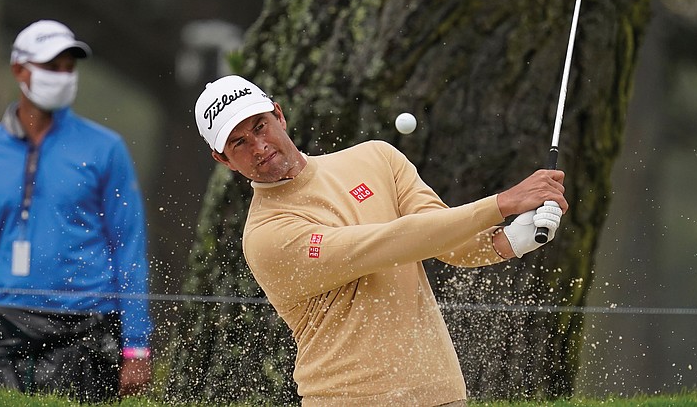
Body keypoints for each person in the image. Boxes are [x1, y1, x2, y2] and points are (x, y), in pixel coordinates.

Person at [193, 75, 568, 406]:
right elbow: (387, 244)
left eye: (260, 126)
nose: (258, 147)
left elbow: (444, 239)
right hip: (346, 399)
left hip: (440, 392)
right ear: (222, 159)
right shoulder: (266, 235)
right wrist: (502, 203)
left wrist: (511, 240)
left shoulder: (377, 158)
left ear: (279, 114)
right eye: (239, 143)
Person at [0, 20, 153, 402]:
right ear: (19, 70)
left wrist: (136, 346)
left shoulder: (105, 148)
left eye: (68, 67)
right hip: (9, 325)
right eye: (51, 67)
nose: (62, 76)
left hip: (91, 328)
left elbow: (129, 246)